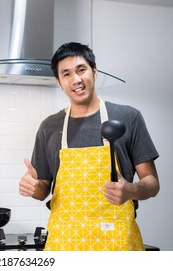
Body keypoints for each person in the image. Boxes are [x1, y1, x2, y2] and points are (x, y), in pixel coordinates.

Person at [19, 42, 160, 251]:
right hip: (65, 243)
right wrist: (32, 187)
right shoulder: (49, 127)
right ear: (59, 81)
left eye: (81, 70)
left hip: (117, 243)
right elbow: (42, 190)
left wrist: (130, 190)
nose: (76, 79)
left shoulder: (128, 117)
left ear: (94, 72)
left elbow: (152, 183)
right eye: (66, 74)